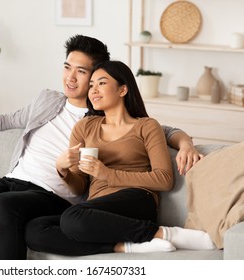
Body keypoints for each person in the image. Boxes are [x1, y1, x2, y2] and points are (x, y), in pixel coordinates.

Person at [0, 35, 202, 260]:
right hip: (10, 182)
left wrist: (186, 142)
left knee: (4, 206)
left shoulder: (102, 115)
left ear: (97, 77)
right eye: (67, 67)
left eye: (81, 72)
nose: (71, 77)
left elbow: (159, 130)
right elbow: (6, 120)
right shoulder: (47, 100)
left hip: (51, 197)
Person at [25, 60, 215, 256]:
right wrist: (63, 170)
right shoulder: (84, 127)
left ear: (123, 89)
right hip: (96, 208)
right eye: (91, 85)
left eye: (102, 83)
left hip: (137, 199)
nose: (93, 90)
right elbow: (80, 186)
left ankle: (165, 234)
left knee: (72, 217)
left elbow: (164, 179)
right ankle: (126, 245)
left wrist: (107, 174)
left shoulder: (147, 126)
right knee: (34, 229)